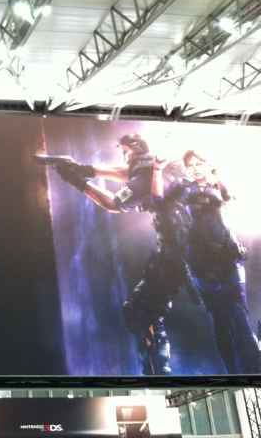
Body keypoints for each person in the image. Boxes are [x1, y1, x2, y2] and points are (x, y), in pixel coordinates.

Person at [49, 134, 195, 375]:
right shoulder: (167, 165)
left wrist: (78, 181)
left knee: (140, 311)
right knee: (145, 309)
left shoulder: (149, 174)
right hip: (185, 247)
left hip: (175, 250)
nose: (124, 157)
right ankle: (158, 370)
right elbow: (127, 172)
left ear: (137, 150)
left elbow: (114, 203)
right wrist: (86, 169)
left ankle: (158, 373)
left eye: (126, 151)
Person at [151, 150, 258, 373]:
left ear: (207, 163)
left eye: (199, 163)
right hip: (201, 261)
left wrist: (218, 175)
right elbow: (157, 201)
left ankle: (256, 370)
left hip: (229, 255)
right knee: (219, 321)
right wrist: (157, 169)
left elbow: (233, 200)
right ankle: (233, 374)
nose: (195, 168)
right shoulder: (182, 186)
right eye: (191, 165)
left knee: (239, 314)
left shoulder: (219, 183)